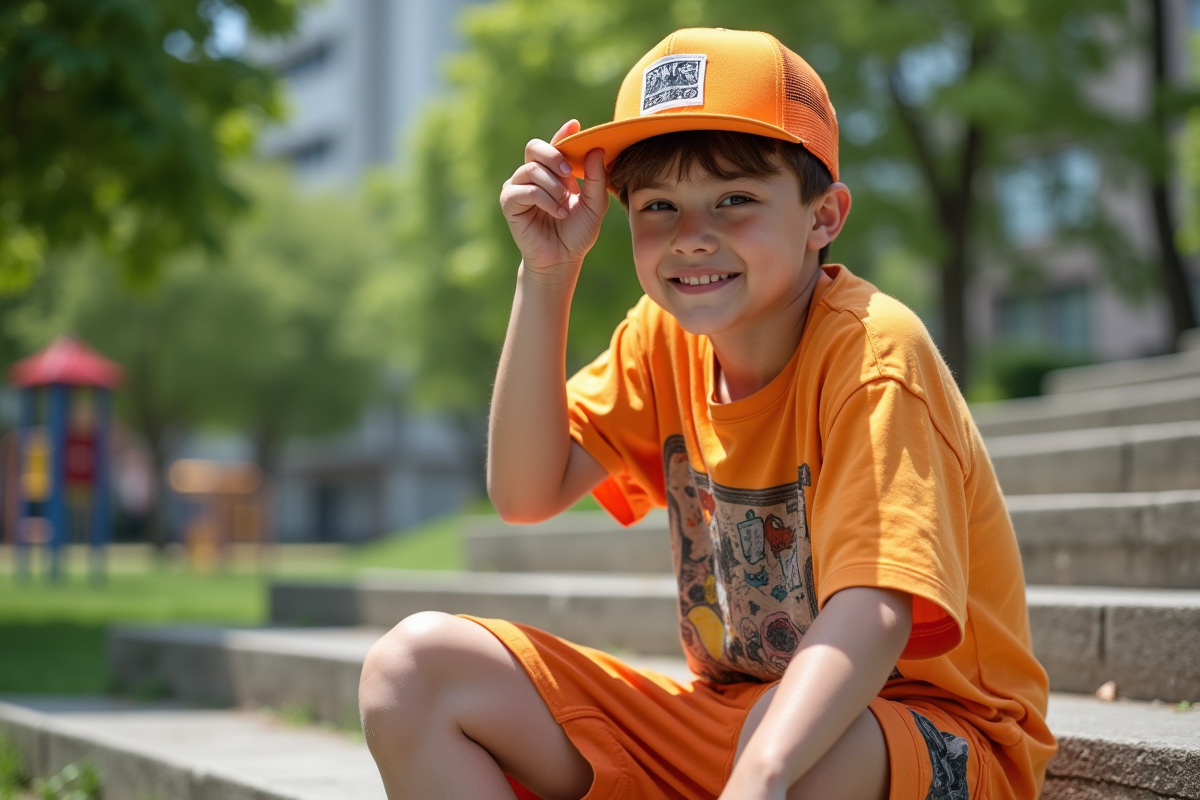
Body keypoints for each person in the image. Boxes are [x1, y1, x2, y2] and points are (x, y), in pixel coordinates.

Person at [359, 27, 1056, 800]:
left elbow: (878, 608)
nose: (692, 238)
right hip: (738, 725)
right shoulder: (661, 340)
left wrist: (759, 775)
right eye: (658, 206)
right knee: (414, 669)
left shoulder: (873, 356)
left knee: (791, 748)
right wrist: (546, 273)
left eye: (735, 199)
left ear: (823, 217)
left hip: (927, 741)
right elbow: (525, 491)